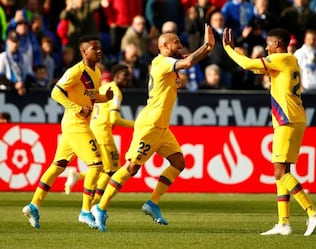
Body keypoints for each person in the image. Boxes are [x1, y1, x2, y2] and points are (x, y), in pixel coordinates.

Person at [90, 23, 215, 232]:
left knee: (178, 162)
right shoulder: (161, 63)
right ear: (164, 45)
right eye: (176, 42)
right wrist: (206, 45)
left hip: (162, 127)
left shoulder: (167, 64)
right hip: (150, 125)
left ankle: (153, 203)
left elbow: (183, 68)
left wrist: (201, 51)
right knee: (132, 167)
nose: (180, 44)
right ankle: (100, 208)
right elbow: (189, 61)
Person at [222, 27, 316, 236]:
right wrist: (242, 56)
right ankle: (283, 223)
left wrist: (228, 49)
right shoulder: (290, 60)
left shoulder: (282, 59)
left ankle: (312, 212)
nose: (266, 48)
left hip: (287, 120)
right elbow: (255, 69)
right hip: (293, 118)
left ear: (277, 44)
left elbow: (248, 63)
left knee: (280, 171)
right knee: (282, 172)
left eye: (268, 44)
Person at [22, 35, 114, 229]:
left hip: (77, 125)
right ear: (83, 52)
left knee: (58, 166)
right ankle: (85, 211)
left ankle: (33, 205)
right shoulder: (76, 71)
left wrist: (104, 98)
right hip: (75, 124)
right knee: (97, 165)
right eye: (94, 48)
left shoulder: (96, 72)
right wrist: (77, 108)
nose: (99, 51)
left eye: (99, 48)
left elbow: (89, 96)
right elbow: (55, 92)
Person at [64, 64, 135, 207]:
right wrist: (137, 124)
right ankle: (93, 204)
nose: (127, 78)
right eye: (124, 74)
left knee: (102, 168)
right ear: (116, 75)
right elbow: (114, 119)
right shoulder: (116, 92)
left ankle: (78, 176)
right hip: (103, 133)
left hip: (93, 129)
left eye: (128, 75)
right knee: (112, 171)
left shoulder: (104, 88)